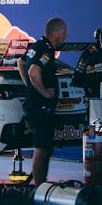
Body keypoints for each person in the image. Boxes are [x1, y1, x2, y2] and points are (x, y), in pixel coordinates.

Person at [17, 17, 67, 185]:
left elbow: (21, 62)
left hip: (37, 104)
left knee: (46, 147)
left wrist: (30, 86)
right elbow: (33, 70)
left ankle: (42, 184)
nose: (65, 35)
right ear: (55, 33)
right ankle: (39, 188)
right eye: (63, 32)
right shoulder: (45, 50)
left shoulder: (36, 46)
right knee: (42, 149)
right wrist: (44, 92)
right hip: (39, 106)